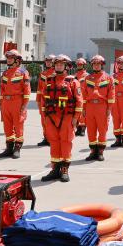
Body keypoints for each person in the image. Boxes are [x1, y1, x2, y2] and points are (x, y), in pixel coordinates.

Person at [40, 55, 82, 183]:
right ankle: (55, 169)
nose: (58, 66)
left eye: (61, 64)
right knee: (54, 142)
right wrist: (44, 116)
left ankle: (64, 170)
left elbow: (79, 101)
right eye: (57, 64)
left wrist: (75, 118)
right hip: (51, 117)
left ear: (66, 66)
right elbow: (43, 99)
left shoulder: (73, 82)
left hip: (67, 117)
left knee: (66, 142)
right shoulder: (48, 80)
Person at [0, 49, 30, 159]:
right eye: (8, 58)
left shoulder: (23, 73)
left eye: (11, 58)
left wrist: (24, 105)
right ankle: (9, 148)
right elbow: (2, 90)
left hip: (17, 102)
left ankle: (17, 148)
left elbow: (27, 91)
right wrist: (1, 104)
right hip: (6, 103)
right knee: (7, 126)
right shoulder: (5, 73)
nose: (8, 60)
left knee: (18, 126)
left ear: (17, 60)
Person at [81, 55, 115, 162]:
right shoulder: (87, 78)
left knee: (102, 130)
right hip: (90, 107)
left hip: (102, 107)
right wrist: (83, 108)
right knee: (91, 130)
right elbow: (84, 94)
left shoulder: (108, 78)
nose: (96, 66)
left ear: (102, 65)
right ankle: (93, 151)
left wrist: (109, 109)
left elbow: (111, 94)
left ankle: (100, 152)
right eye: (94, 64)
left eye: (98, 64)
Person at [35, 54, 55, 147]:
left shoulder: (56, 73)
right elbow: (39, 88)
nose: (48, 63)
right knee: (44, 120)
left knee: (52, 120)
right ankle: (46, 138)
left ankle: (52, 139)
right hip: (43, 100)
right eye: (47, 61)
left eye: (50, 61)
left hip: (52, 100)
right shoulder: (43, 74)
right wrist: (38, 100)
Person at [73, 58, 89, 137]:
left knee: (83, 114)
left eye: (80, 65)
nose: (79, 66)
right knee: (77, 112)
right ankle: (78, 129)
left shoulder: (87, 75)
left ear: (84, 65)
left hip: (84, 97)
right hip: (76, 96)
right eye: (78, 65)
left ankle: (83, 129)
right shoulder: (75, 75)